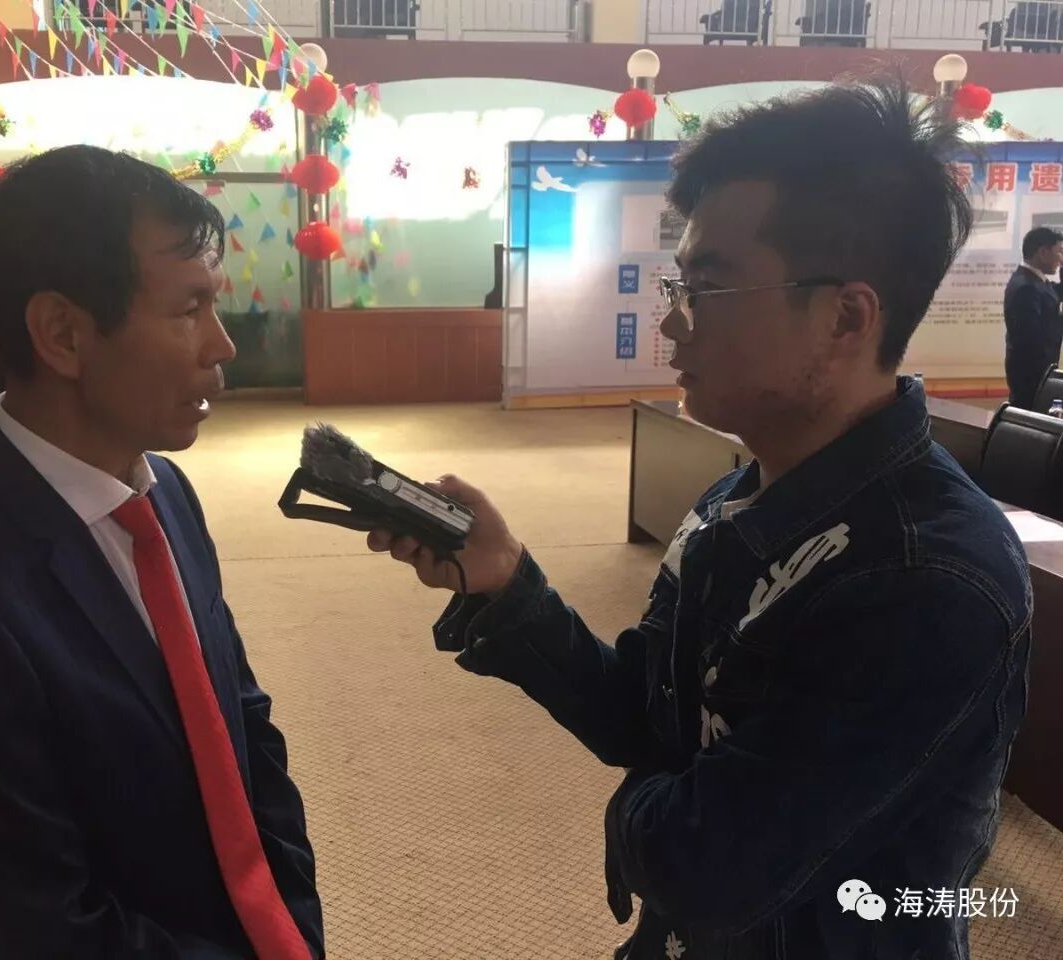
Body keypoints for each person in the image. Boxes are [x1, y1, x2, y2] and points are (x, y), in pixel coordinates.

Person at [370, 78, 1030, 960]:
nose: (672, 323)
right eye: (679, 284)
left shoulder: (924, 580)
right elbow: (646, 715)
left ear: (845, 317)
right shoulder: (739, 498)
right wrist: (507, 581)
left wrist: (635, 807)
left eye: (708, 289)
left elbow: (709, 863)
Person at [0, 146, 323, 960]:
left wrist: (291, 913)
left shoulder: (165, 493)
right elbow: (28, 930)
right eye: (189, 309)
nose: (222, 345)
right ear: (63, 334)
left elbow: (242, 722)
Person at [1003, 225, 1063, 407]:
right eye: (1059, 252)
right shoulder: (1026, 287)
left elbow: (1055, 294)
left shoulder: (1035, 282)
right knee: (1029, 416)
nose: (1060, 258)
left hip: (1036, 370)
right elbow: (1032, 335)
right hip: (1030, 374)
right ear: (1043, 252)